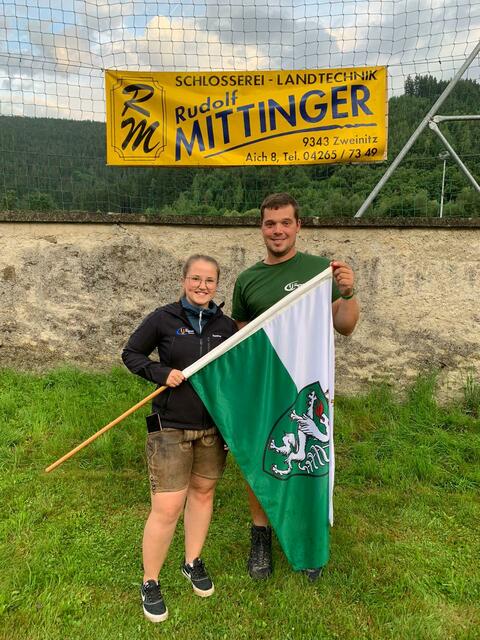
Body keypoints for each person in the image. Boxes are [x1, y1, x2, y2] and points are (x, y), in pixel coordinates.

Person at [231, 192, 360, 581]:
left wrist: (349, 292)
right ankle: (261, 538)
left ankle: (307, 538)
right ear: (261, 228)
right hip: (264, 386)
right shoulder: (247, 280)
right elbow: (242, 342)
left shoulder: (320, 271)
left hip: (307, 385)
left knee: (308, 460)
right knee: (262, 458)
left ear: (299, 226)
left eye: (286, 222)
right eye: (270, 223)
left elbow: (346, 324)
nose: (278, 230)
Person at [122, 254, 237, 623]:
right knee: (168, 508)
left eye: (210, 281)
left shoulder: (226, 326)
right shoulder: (163, 318)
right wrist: (161, 372)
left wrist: (233, 427)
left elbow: (235, 375)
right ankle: (150, 581)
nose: (202, 286)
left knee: (202, 496)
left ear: (217, 285)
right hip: (170, 426)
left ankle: (192, 562)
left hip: (211, 430)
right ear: (184, 280)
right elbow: (131, 354)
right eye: (196, 279)